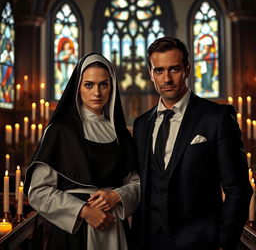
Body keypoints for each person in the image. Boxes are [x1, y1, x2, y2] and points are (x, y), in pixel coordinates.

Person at [131, 36, 252, 250]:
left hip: (201, 242)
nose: (166, 78)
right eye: (159, 70)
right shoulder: (141, 125)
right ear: (150, 73)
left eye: (174, 69)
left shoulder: (217, 117)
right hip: (148, 242)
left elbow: (238, 189)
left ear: (187, 69)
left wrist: (224, 242)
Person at [24, 53, 140, 250]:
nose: (97, 92)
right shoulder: (60, 131)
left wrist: (118, 196)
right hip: (74, 230)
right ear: (77, 87)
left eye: (103, 84)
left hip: (114, 228)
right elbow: (37, 191)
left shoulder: (121, 134)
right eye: (89, 85)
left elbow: (138, 183)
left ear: (112, 88)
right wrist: (83, 211)